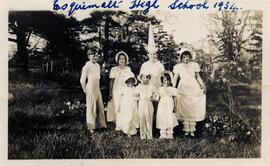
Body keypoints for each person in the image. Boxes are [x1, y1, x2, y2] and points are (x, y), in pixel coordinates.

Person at [173, 48, 206, 137]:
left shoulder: (194, 65)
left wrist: (203, 86)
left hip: (193, 86)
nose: (186, 58)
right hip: (183, 86)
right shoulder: (178, 67)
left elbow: (198, 77)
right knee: (184, 106)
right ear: (181, 58)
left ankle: (192, 129)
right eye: (184, 57)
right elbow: (175, 78)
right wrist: (173, 88)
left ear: (190, 57)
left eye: (187, 56)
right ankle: (186, 129)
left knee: (192, 105)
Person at [80, 49, 107, 133]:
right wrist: (85, 89)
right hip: (90, 87)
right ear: (89, 56)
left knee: (100, 106)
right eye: (93, 55)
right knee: (91, 107)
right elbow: (82, 80)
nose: (95, 57)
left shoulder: (98, 66)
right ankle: (91, 127)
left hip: (97, 87)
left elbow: (98, 77)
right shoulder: (86, 66)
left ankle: (102, 125)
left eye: (96, 55)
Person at [108, 51, 132, 130]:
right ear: (117, 60)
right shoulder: (114, 69)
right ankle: (118, 124)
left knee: (124, 106)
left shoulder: (128, 69)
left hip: (125, 89)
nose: (122, 60)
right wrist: (110, 93)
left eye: (123, 59)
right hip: (117, 89)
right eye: (120, 59)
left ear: (126, 60)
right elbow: (111, 82)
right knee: (117, 106)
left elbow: (130, 80)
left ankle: (124, 123)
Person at [135, 73, 159, 139]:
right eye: (144, 78)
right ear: (141, 78)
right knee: (141, 118)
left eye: (147, 78)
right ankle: (142, 134)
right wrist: (138, 97)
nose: (146, 79)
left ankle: (149, 135)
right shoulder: (138, 87)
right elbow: (134, 96)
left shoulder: (152, 87)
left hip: (149, 103)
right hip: (141, 103)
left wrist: (153, 98)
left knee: (149, 118)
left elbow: (157, 96)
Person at [156, 71, 179, 139]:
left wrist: (175, 106)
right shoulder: (160, 89)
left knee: (169, 117)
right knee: (162, 117)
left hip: (169, 104)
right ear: (162, 81)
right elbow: (158, 98)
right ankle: (163, 134)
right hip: (162, 104)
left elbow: (175, 98)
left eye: (168, 80)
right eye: (165, 80)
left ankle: (169, 134)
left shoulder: (173, 89)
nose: (167, 82)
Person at [118, 72, 139, 137]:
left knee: (133, 117)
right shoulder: (124, 88)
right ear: (126, 81)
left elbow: (137, 97)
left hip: (133, 104)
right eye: (128, 81)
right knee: (127, 117)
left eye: (132, 81)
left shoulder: (135, 89)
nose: (130, 83)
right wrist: (119, 106)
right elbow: (120, 97)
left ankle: (132, 130)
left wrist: (136, 97)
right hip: (126, 104)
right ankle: (126, 130)